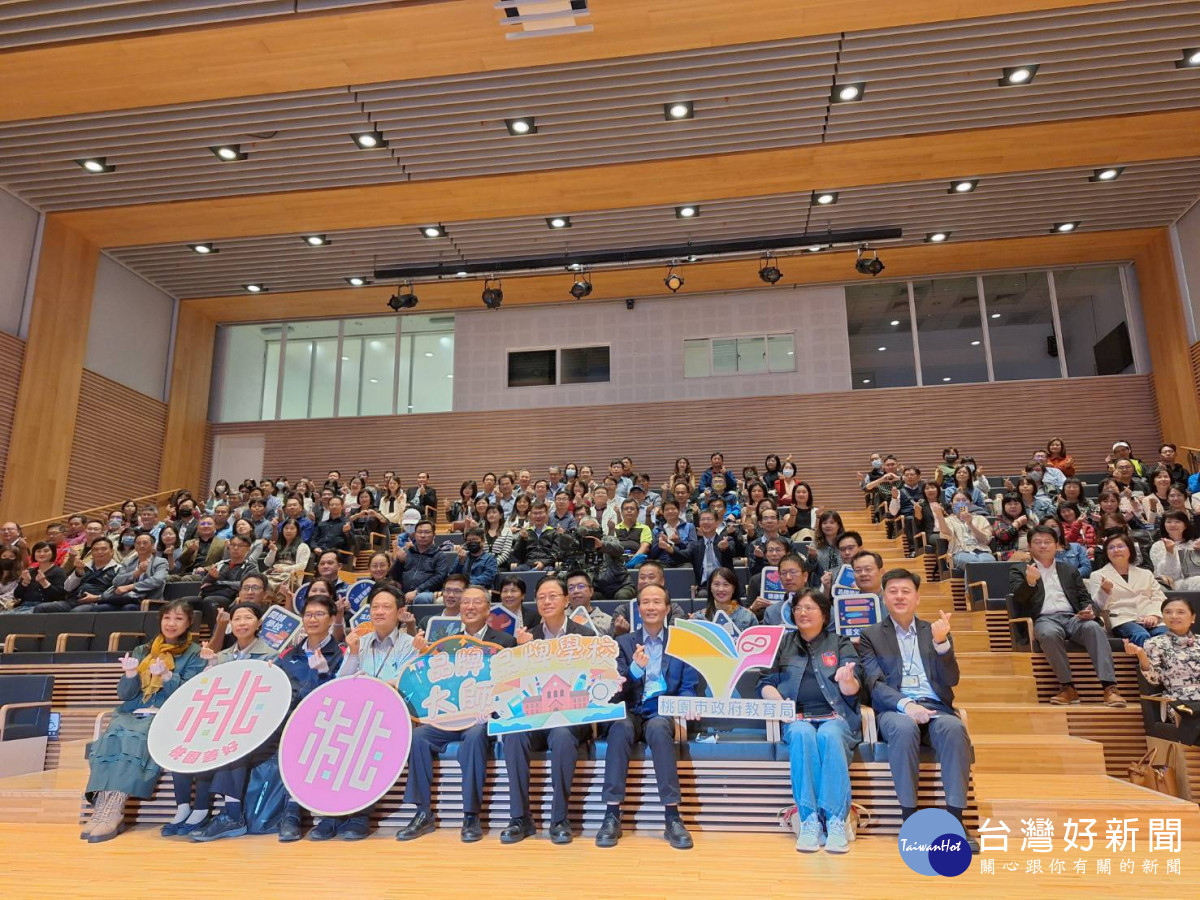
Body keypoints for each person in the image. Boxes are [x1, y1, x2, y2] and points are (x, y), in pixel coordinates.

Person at [857, 569, 976, 852]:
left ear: (917, 597)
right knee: (904, 727)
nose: (899, 596)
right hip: (894, 708)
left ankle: (956, 822)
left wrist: (941, 644)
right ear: (883, 597)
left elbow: (951, 680)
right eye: (893, 591)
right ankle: (910, 820)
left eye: (906, 591)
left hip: (934, 706)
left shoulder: (934, 631)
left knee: (954, 728)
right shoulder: (870, 635)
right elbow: (873, 684)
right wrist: (907, 705)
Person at [398, 585, 517, 843]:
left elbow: (512, 686)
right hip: (451, 713)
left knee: (474, 736)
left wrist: (492, 708)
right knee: (419, 736)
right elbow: (429, 683)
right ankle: (422, 813)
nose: (469, 607)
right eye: (465, 603)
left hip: (485, 716)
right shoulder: (446, 643)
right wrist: (420, 654)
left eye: (476, 602)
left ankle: (471, 814)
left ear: (488, 609)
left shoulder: (505, 642)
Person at [82, 600, 205, 842]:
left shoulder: (195, 654)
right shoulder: (143, 651)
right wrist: (129, 675)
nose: (171, 623)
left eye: (179, 618)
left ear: (189, 622)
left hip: (166, 713)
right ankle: (102, 809)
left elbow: (190, 695)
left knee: (134, 738)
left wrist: (168, 676)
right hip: (132, 711)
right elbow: (125, 695)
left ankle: (114, 809)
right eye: (167, 618)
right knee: (112, 736)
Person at [596, 582, 698, 851]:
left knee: (658, 731)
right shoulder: (623, 643)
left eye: (656, 602)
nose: (651, 607)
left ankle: (673, 816)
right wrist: (634, 671)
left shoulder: (681, 643)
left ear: (667, 608)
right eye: (645, 602)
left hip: (661, 711)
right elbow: (613, 691)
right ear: (638, 609)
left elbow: (688, 686)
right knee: (619, 728)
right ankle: (611, 814)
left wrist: (687, 702)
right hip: (629, 709)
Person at [759, 589, 861, 853]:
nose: (802, 613)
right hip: (797, 717)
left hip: (835, 716)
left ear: (824, 614)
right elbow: (766, 682)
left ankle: (836, 819)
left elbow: (853, 689)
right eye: (798, 608)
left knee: (829, 735)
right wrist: (778, 703)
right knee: (803, 734)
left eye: (809, 608)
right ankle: (809, 820)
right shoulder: (783, 644)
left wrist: (846, 679)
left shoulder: (840, 643)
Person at [499, 577, 594, 845]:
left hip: (570, 716)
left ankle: (560, 818)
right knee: (514, 735)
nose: (546, 601)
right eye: (541, 597)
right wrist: (521, 651)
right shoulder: (527, 636)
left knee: (563, 735)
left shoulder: (584, 635)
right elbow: (513, 685)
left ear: (566, 600)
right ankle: (520, 818)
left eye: (553, 596)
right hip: (535, 716)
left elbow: (591, 680)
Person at [176, 602, 277, 842]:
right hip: (224, 723)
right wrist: (208, 668)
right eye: (237, 618)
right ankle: (202, 811)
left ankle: (232, 815)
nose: (242, 623)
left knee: (234, 747)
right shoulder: (220, 657)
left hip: (256, 724)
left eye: (248, 618)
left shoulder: (271, 655)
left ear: (259, 623)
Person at [1010, 526, 1124, 706]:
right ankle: (1067, 687)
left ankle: (1110, 688)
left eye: (1047, 542)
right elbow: (1018, 599)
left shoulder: (1068, 569)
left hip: (1073, 617)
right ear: (1029, 547)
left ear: (1057, 545)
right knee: (1048, 634)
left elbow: (1083, 597)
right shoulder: (1019, 570)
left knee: (1094, 628)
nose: (1043, 546)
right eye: (1037, 542)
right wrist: (1029, 582)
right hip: (1044, 618)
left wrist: (1088, 611)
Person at [276, 593, 346, 843]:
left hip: (328, 721)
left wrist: (324, 673)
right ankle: (291, 814)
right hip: (291, 721)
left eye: (319, 614)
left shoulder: (341, 653)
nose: (312, 619)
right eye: (308, 614)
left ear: (331, 619)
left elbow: (344, 693)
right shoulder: (287, 655)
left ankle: (329, 815)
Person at [1089, 532, 1168, 647]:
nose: (1116, 550)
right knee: (1141, 635)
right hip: (1122, 620)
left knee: (1165, 634)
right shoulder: (1098, 575)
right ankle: (1148, 665)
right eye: (1111, 548)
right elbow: (1098, 607)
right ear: (1106, 553)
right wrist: (1104, 590)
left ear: (1130, 549)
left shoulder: (1146, 573)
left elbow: (1159, 597)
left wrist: (1154, 615)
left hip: (1149, 618)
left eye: (1120, 546)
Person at [1126, 596, 1200, 707]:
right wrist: (1141, 654)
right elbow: (1155, 679)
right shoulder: (1154, 643)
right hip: (1179, 701)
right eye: (1168, 612)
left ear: (1193, 617)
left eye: (1180, 612)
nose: (1174, 616)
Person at [79, 533, 168, 612]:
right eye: (138, 543)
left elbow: (157, 580)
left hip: (148, 600)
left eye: (145, 543)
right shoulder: (129, 562)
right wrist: (137, 572)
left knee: (128, 608)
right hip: (125, 598)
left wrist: (130, 587)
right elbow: (116, 582)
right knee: (99, 608)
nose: (141, 545)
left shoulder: (160, 562)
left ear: (152, 545)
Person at [37, 536, 120, 612]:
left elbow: (116, 591)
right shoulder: (84, 565)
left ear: (112, 551)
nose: (99, 552)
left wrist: (98, 598)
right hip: (74, 600)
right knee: (41, 607)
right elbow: (67, 588)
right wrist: (78, 573)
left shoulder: (118, 568)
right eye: (95, 549)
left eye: (103, 549)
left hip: (96, 602)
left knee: (76, 612)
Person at [388, 520, 449, 604]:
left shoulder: (440, 555)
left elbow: (439, 577)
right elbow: (394, 576)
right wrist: (399, 562)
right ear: (415, 535)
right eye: (419, 532)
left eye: (427, 532)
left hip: (426, 593)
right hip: (403, 592)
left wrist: (417, 591)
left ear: (434, 535)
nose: (423, 535)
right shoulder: (406, 552)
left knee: (421, 598)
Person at [197, 534, 260, 613]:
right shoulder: (221, 564)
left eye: (240, 545)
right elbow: (204, 585)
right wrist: (211, 577)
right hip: (213, 593)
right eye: (233, 545)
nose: (235, 548)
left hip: (233, 598)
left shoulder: (251, 567)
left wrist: (218, 583)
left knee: (209, 601)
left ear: (248, 549)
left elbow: (244, 585)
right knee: (187, 601)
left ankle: (218, 626)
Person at [934, 490, 994, 568]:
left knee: (989, 561)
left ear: (971, 503)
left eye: (964, 500)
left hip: (982, 551)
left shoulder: (981, 519)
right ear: (952, 504)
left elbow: (985, 539)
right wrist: (939, 515)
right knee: (973, 563)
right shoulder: (948, 520)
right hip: (959, 552)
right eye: (957, 500)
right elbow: (946, 533)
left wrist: (970, 524)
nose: (961, 503)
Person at [7, 541, 66, 613]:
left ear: (53, 553)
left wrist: (44, 583)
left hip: (43, 607)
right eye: (38, 551)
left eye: (46, 551)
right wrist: (25, 582)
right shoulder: (30, 572)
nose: (42, 554)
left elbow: (60, 596)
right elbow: (17, 595)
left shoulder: (58, 572)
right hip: (23, 606)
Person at [694, 567, 756, 634]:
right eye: (716, 584)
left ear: (733, 588)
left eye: (726, 585)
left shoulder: (748, 617)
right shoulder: (699, 618)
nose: (721, 589)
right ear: (710, 588)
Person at [689, 509, 739, 590]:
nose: (705, 522)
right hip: (704, 587)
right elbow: (682, 555)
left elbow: (732, 552)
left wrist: (725, 548)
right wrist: (670, 548)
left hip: (724, 584)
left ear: (716, 523)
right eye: (702, 519)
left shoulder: (727, 540)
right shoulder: (695, 545)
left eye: (709, 519)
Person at [1151, 511, 1200, 590]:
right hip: (1171, 585)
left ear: (1185, 525)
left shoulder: (1194, 544)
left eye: (1178, 522)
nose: (1173, 525)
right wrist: (1169, 553)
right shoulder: (1158, 546)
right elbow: (1167, 576)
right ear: (1164, 525)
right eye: (1169, 522)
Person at [509, 501, 560, 572]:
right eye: (535, 513)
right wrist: (523, 539)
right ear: (530, 515)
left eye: (541, 513)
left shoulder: (553, 533)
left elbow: (556, 553)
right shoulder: (526, 532)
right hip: (528, 565)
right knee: (518, 571)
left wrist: (544, 563)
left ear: (547, 514)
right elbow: (517, 555)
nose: (538, 516)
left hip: (547, 566)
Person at [564, 570, 613, 635]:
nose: (576, 591)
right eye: (571, 588)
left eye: (581, 586)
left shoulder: (608, 621)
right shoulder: (559, 619)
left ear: (591, 591)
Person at [648, 499, 694, 567]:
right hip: (663, 562)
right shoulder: (657, 530)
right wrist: (659, 545)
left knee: (688, 567)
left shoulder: (689, 526)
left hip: (683, 561)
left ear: (679, 511)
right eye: (667, 509)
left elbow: (693, 550)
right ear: (662, 513)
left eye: (673, 509)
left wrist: (679, 542)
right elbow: (651, 555)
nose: (670, 511)